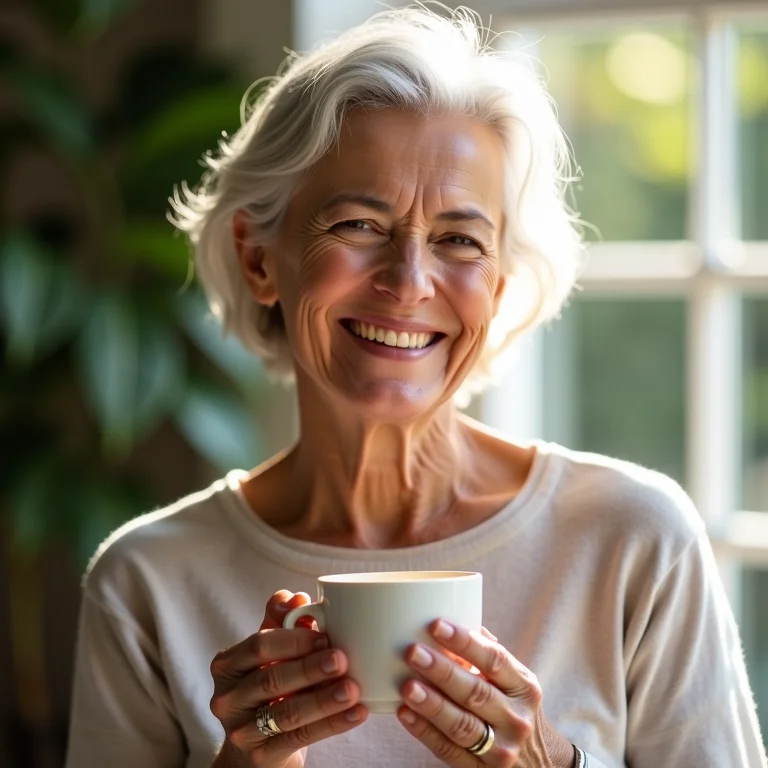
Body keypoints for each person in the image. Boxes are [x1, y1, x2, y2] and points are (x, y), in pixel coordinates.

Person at [65, 6, 767, 768]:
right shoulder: (148, 581)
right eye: (360, 225)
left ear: (496, 288)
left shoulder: (634, 540)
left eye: (459, 241)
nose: (408, 282)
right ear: (260, 259)